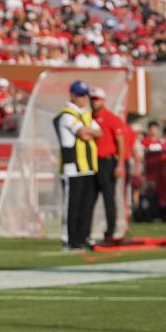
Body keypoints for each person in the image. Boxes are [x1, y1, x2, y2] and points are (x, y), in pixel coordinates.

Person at [55, 81, 101, 251]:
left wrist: (89, 132)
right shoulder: (67, 115)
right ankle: (69, 238)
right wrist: (89, 132)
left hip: (88, 166)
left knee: (86, 204)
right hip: (72, 167)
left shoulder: (86, 114)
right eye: (81, 95)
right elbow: (83, 133)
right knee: (72, 206)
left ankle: (82, 236)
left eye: (86, 95)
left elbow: (98, 133)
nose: (85, 99)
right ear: (72, 95)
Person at [90, 86, 127, 241]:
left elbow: (120, 142)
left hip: (107, 162)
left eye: (96, 99)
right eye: (92, 99)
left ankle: (110, 231)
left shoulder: (111, 118)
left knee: (108, 198)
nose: (94, 102)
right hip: (92, 162)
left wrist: (119, 164)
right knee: (89, 199)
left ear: (103, 100)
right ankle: (86, 231)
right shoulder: (88, 117)